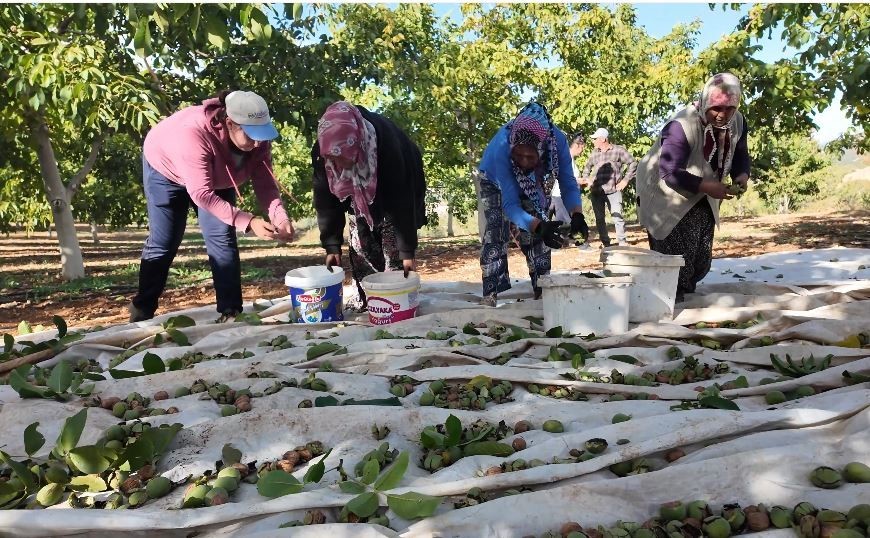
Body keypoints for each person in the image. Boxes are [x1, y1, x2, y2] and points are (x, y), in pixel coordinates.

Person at [129, 90, 295, 322]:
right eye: (251, 135)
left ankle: (230, 312)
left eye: (261, 134)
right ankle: (142, 310)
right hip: (166, 170)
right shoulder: (193, 136)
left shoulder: (258, 142)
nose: (258, 142)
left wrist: (280, 216)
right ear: (229, 123)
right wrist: (248, 222)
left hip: (215, 176)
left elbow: (265, 182)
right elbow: (201, 194)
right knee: (165, 242)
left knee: (222, 238)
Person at [636, 72, 750, 302]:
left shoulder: (737, 122)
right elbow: (669, 171)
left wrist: (742, 176)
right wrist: (707, 186)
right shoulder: (682, 125)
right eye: (716, 108)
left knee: (700, 257)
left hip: (702, 190)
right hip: (664, 190)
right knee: (674, 255)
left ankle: (684, 288)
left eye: (729, 109)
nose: (722, 115)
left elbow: (740, 153)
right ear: (706, 101)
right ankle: (668, 299)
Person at [312, 101, 427, 309]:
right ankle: (369, 299)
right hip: (356, 195)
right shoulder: (323, 150)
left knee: (393, 245)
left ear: (356, 146)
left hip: (399, 182)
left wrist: (407, 252)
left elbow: (402, 202)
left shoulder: (387, 145)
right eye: (332, 160)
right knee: (361, 244)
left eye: (342, 158)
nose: (336, 166)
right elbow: (325, 200)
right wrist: (331, 245)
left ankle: (397, 300)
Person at [477, 102, 589, 306]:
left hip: (534, 180)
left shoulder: (557, 142)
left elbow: (567, 182)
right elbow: (510, 206)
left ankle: (542, 290)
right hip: (494, 180)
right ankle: (490, 294)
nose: (524, 161)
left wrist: (577, 214)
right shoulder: (503, 148)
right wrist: (539, 226)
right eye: (519, 155)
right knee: (496, 233)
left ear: (542, 148)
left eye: (530, 156)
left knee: (538, 236)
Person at [579, 127, 637, 247]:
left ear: (603, 139)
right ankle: (606, 243)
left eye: (595, 139)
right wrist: (587, 180)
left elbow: (633, 163)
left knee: (617, 217)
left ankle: (622, 242)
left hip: (614, 190)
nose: (593, 141)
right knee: (600, 219)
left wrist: (625, 180)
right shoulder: (594, 153)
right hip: (596, 191)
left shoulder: (618, 150)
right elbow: (587, 168)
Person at [550, 133, 585, 223]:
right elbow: (564, 177)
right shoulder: (566, 158)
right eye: (582, 147)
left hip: (559, 195)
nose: (583, 150)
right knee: (564, 223)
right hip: (559, 194)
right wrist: (580, 181)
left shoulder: (570, 159)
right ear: (577, 145)